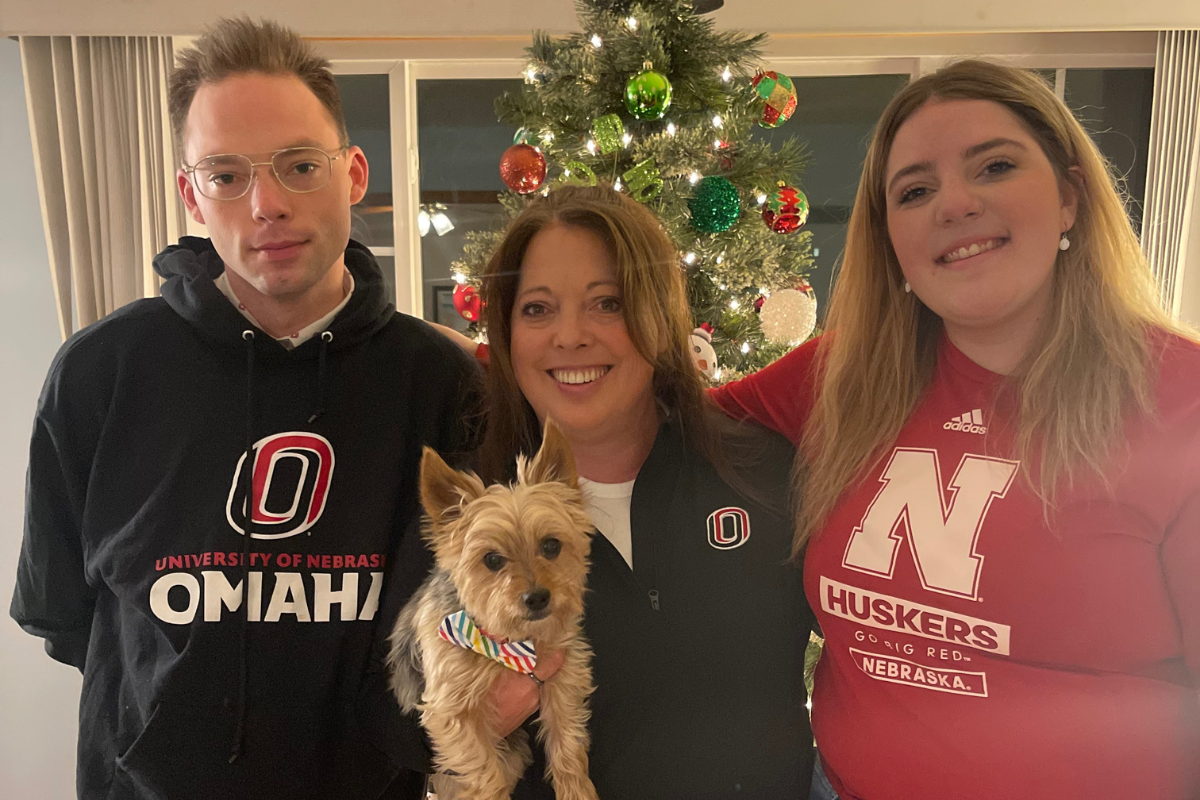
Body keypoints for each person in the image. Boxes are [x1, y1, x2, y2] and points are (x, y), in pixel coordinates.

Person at [9, 18, 479, 800]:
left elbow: (457, 621)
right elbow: (66, 619)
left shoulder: (437, 382)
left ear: (354, 173)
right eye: (226, 175)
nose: (267, 204)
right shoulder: (99, 373)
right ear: (192, 194)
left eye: (300, 165)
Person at [711, 59, 1200, 800]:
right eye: (915, 191)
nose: (955, 204)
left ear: (1070, 196)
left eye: (995, 166)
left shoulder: (1181, 401)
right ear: (893, 242)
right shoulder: (843, 375)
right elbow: (648, 421)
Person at [457, 184, 816, 799]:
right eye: (537, 309)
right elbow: (406, 712)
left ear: (658, 314)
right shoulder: (469, 522)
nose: (570, 337)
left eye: (608, 303)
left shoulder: (764, 469)